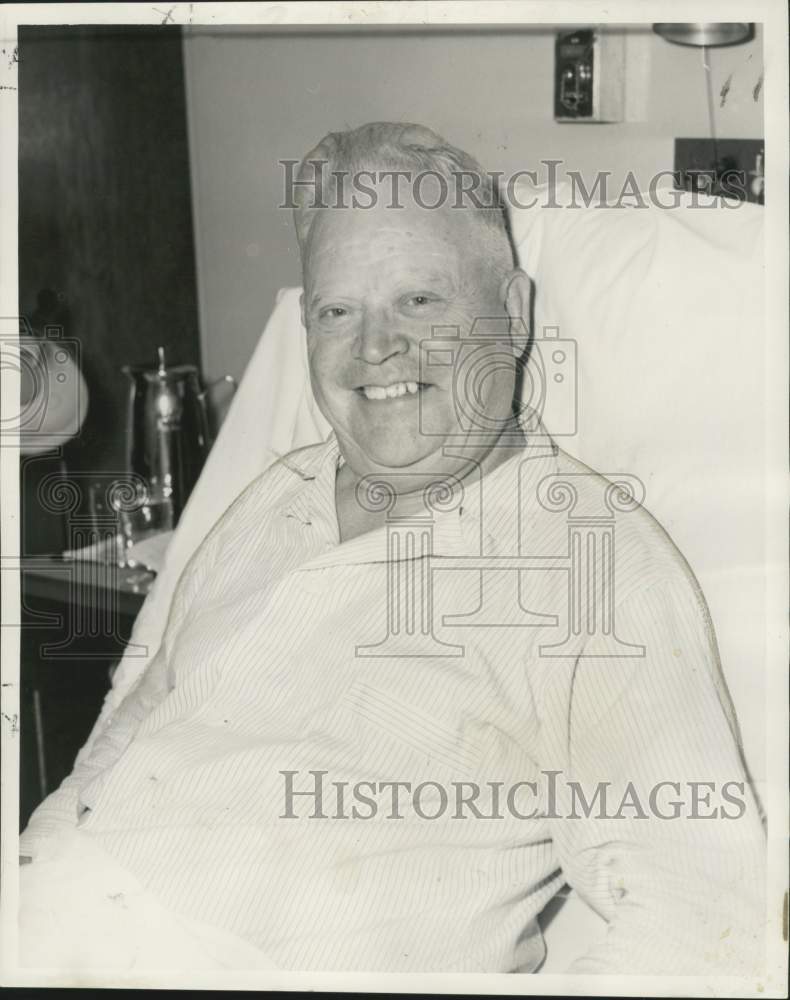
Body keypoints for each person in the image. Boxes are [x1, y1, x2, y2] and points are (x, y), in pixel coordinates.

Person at [19, 122, 765, 975]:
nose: (376, 348)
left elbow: (700, 925)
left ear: (514, 315)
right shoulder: (272, 498)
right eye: (339, 311)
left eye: (421, 301)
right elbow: (126, 729)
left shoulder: (589, 565)